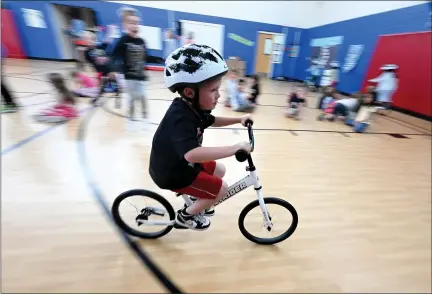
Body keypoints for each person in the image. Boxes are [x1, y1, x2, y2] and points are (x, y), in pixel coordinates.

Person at [149, 44, 252, 230]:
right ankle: (185, 217)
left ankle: (199, 201)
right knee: (222, 189)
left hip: (181, 165)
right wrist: (233, 149)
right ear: (190, 92)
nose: (218, 95)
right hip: (172, 173)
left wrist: (239, 119)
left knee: (219, 169)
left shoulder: (193, 107)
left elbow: (211, 120)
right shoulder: (180, 118)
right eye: (213, 90)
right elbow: (191, 154)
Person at [111, 8, 148, 127]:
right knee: (132, 99)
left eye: (136, 23)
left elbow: (145, 57)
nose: (134, 25)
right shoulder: (123, 40)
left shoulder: (142, 41)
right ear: (125, 25)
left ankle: (145, 118)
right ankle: (131, 120)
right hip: (129, 76)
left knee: (142, 97)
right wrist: (114, 70)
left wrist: (159, 60)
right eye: (131, 23)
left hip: (141, 76)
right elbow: (115, 55)